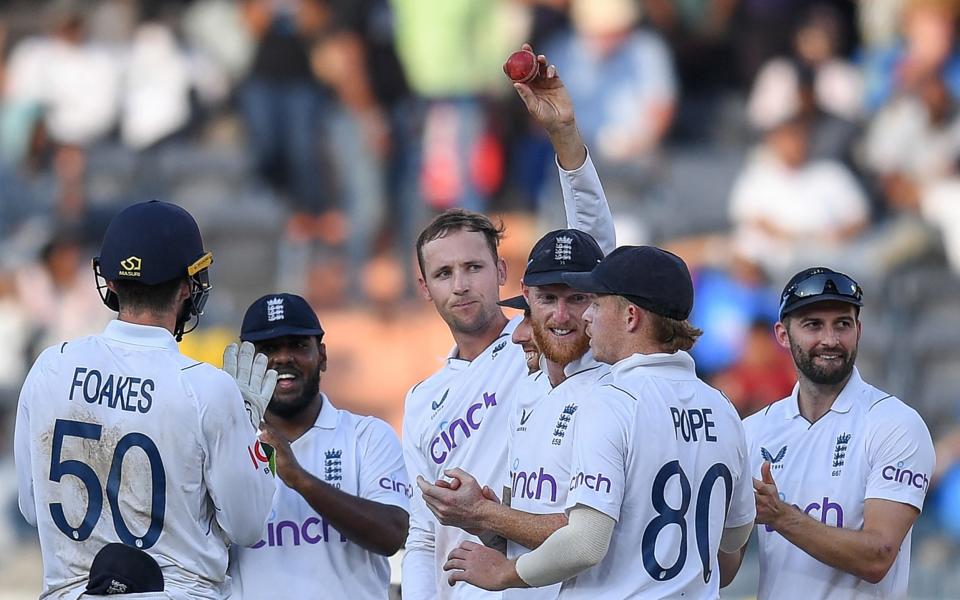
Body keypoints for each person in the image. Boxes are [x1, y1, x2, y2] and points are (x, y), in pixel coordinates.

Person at [401, 47, 616, 599]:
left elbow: (595, 251)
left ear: (502, 271)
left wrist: (564, 135)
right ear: (425, 288)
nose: (462, 283)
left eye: (474, 266)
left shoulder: (549, 345)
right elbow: (425, 537)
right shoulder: (423, 400)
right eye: (444, 273)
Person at [442, 246, 755, 598]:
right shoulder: (722, 406)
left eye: (598, 303)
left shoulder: (610, 400)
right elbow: (733, 539)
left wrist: (507, 573)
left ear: (631, 317)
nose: (586, 316)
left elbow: (586, 543)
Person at [14, 200, 277, 599]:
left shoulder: (50, 367)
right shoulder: (207, 388)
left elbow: (33, 509)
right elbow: (248, 526)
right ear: (188, 287)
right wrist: (249, 425)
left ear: (112, 285)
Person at [718, 267, 936, 599]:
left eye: (842, 324)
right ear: (782, 334)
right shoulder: (752, 431)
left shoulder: (895, 424)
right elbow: (724, 571)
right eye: (813, 325)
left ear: (859, 331)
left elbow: (878, 557)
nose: (830, 340)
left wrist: (781, 516)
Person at [418, 229, 611, 600]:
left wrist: (483, 516)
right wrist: (485, 518)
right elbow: (523, 523)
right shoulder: (529, 392)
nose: (560, 314)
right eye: (547, 299)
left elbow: (588, 538)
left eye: (577, 299)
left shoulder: (612, 395)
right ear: (528, 297)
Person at [227, 293, 410, 599]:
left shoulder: (367, 436)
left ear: (322, 356)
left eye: (298, 345)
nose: (283, 358)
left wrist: (299, 479)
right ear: (246, 363)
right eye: (268, 348)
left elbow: (392, 534)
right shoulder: (226, 444)